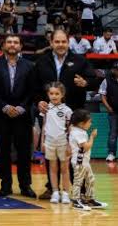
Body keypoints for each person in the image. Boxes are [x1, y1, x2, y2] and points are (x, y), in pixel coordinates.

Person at [33, 29, 96, 199]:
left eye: (64, 42)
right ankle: (51, 188)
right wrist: (38, 101)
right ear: (51, 42)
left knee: (73, 153)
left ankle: (76, 189)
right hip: (49, 115)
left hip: (73, 115)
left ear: (68, 43)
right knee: (51, 153)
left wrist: (86, 82)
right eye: (57, 42)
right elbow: (34, 86)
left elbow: (95, 78)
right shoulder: (42, 61)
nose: (61, 45)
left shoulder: (80, 61)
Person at [0, 34, 36, 198]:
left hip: (23, 115)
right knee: (3, 152)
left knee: (23, 152)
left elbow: (31, 91)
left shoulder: (29, 65)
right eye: (9, 42)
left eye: (16, 42)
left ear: (21, 46)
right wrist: (5, 107)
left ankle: (25, 185)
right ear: (3, 45)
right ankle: (5, 185)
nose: (12, 45)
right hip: (1, 114)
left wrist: (22, 107)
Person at [41, 82, 73, 204]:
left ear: (62, 94)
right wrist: (42, 142)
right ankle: (55, 191)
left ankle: (65, 192)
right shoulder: (46, 108)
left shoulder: (67, 110)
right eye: (51, 93)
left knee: (65, 168)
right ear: (48, 94)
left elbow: (70, 128)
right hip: (49, 142)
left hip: (63, 142)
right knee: (52, 168)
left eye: (57, 93)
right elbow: (44, 125)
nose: (54, 96)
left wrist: (70, 144)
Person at [69, 109, 107, 210]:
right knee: (78, 181)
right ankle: (75, 200)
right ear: (82, 123)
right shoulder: (78, 133)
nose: (91, 123)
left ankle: (90, 199)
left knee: (90, 179)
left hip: (84, 162)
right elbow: (85, 147)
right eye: (89, 121)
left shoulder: (78, 130)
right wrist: (92, 137)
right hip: (79, 162)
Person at [97, 63, 118, 162]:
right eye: (116, 69)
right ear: (113, 70)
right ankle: (111, 153)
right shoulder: (107, 80)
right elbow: (102, 95)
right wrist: (108, 107)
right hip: (113, 111)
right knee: (113, 133)